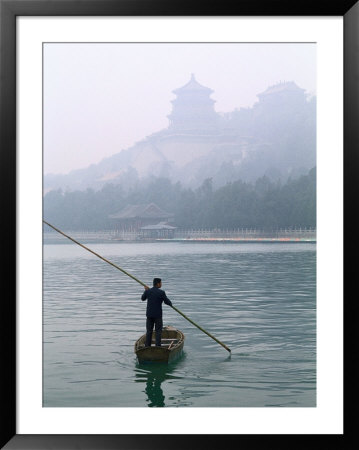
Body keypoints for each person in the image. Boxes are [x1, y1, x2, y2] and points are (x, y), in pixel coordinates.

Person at [141, 278, 173, 347]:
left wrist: (145, 291)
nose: (161, 284)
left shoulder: (148, 291)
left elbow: (142, 298)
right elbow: (167, 302)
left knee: (149, 331)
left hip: (149, 315)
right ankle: (158, 346)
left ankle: (147, 346)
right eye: (161, 283)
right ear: (158, 284)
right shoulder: (161, 292)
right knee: (158, 331)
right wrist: (171, 304)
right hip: (158, 316)